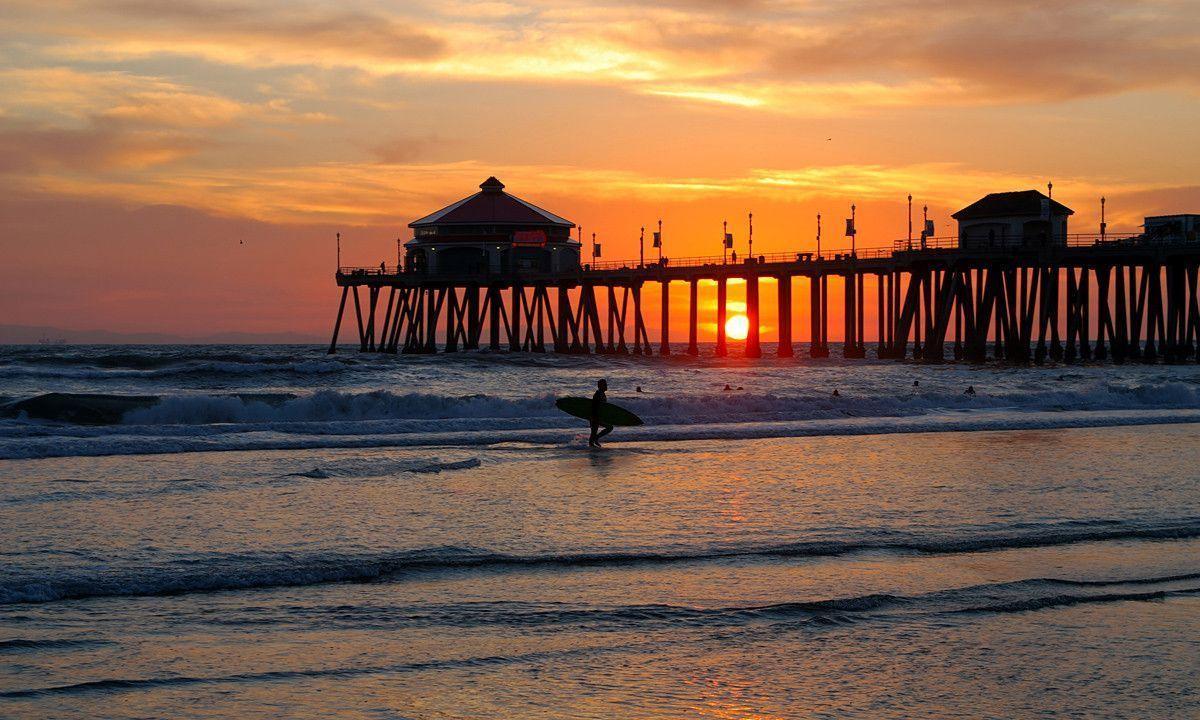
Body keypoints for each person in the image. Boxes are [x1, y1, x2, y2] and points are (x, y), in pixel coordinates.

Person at [589, 379, 614, 447]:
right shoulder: (597, 394)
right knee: (594, 433)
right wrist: (594, 418)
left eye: (606, 384)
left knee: (609, 427)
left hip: (599, 416)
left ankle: (595, 439)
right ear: (600, 386)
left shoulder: (602, 393)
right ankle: (593, 444)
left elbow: (604, 407)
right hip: (595, 417)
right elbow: (594, 407)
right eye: (605, 385)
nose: (606, 386)